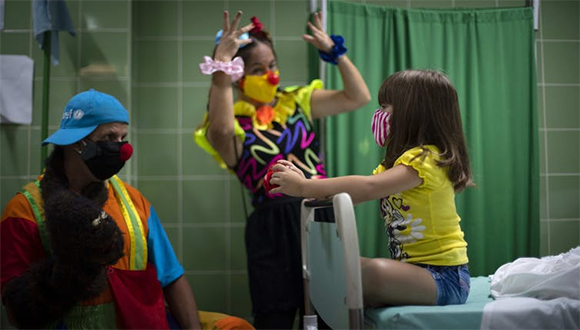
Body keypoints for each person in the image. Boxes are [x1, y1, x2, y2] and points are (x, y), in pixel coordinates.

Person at [0, 89, 254, 330]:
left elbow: (172, 277)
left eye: (123, 138)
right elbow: (16, 310)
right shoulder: (25, 210)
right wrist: (69, 271)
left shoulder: (133, 201)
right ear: (77, 143)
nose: (122, 148)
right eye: (109, 137)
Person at [193, 10, 370, 329]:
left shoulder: (297, 101)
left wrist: (336, 54)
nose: (271, 75)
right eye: (259, 69)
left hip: (321, 213)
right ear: (237, 74)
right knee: (274, 316)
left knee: (332, 311)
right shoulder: (232, 120)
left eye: (273, 65)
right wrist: (220, 67)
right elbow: (220, 134)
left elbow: (358, 97)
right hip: (271, 226)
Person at [268, 69, 473, 308]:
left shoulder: (426, 159)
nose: (380, 114)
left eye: (386, 107)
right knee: (338, 267)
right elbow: (348, 194)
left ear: (414, 113)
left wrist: (304, 186)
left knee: (367, 272)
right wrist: (305, 183)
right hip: (415, 273)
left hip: (444, 277)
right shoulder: (395, 166)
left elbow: (369, 187)